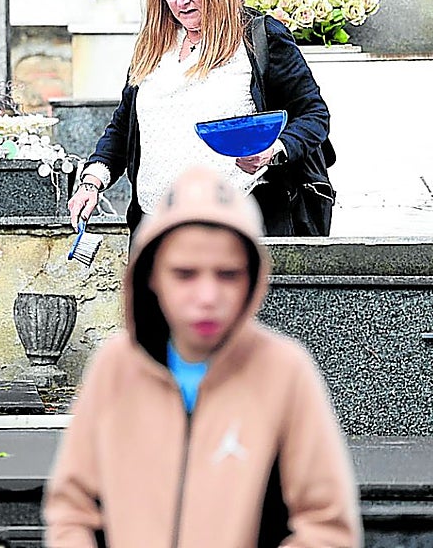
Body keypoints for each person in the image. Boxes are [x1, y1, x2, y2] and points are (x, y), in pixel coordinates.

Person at [44, 166, 361, 547]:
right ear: (151, 276)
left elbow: (326, 525)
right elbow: (72, 510)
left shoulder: (284, 371)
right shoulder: (116, 367)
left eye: (227, 274)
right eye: (185, 274)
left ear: (253, 278)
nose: (207, 296)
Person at [67, 0, 333, 237]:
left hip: (237, 228)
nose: (181, 1)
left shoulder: (259, 38)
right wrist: (92, 182)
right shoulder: (153, 46)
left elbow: (314, 114)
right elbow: (124, 128)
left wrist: (273, 150)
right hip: (156, 230)